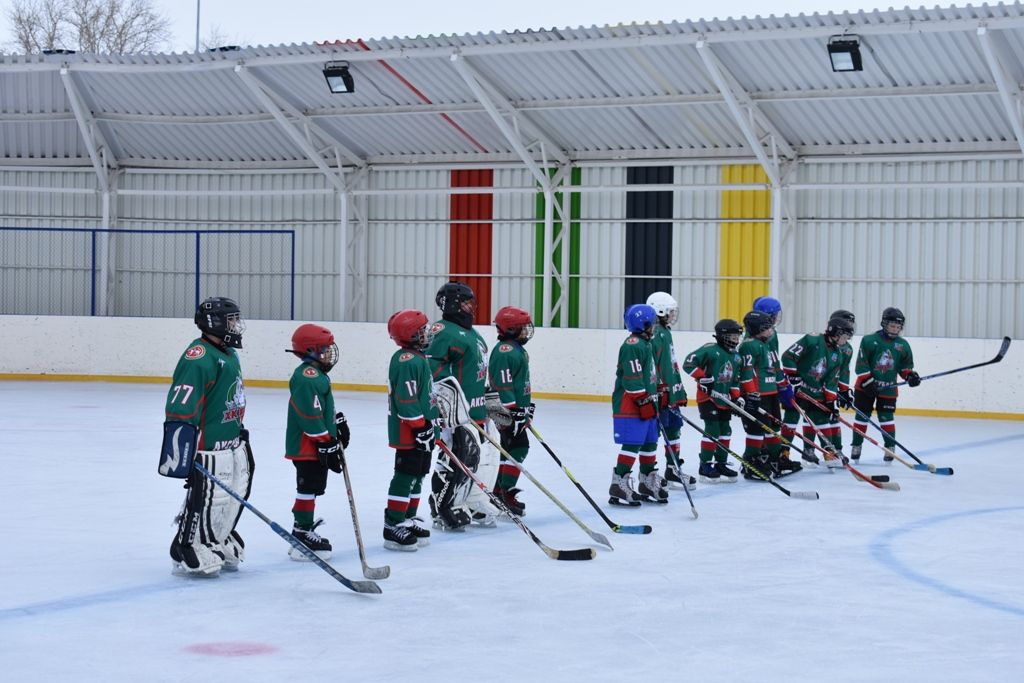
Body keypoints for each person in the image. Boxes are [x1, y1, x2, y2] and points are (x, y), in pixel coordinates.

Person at [163, 296, 251, 577]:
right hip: (207, 446)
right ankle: (188, 544)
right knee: (210, 497)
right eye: (232, 321)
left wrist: (239, 431)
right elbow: (181, 406)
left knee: (236, 492)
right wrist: (182, 451)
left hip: (231, 441)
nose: (237, 326)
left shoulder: (228, 354)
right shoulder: (199, 356)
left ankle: (217, 536)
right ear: (214, 323)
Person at [426, 281, 498, 530]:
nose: (471, 307)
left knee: (479, 458)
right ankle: (442, 506)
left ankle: (473, 501)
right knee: (455, 459)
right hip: (457, 413)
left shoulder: (472, 333)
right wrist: (444, 403)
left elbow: (476, 369)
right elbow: (432, 370)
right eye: (467, 302)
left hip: (476, 411)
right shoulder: (442, 331)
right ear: (454, 305)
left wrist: (489, 397)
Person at [284, 323, 349, 560]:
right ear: (310, 350)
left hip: (315, 444)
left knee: (312, 488)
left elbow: (320, 410)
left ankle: (304, 528)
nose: (329, 353)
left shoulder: (316, 375)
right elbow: (309, 416)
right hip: (306, 447)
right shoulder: (306, 377)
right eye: (324, 349)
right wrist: (325, 440)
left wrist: (335, 422)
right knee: (307, 488)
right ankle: (301, 531)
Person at [383, 309, 438, 551]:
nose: (427, 333)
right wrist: (420, 427)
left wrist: (432, 421)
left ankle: (408, 518)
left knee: (418, 474)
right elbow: (406, 401)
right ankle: (393, 524)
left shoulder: (418, 357)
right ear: (410, 334)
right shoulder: (406, 360)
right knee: (405, 476)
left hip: (422, 429)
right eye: (422, 330)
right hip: (409, 432)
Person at [609, 304, 667, 505]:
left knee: (651, 441)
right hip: (631, 406)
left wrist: (658, 389)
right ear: (644, 324)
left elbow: (648, 374)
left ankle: (647, 481)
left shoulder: (646, 344)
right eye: (652, 323)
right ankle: (619, 483)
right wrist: (643, 399)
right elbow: (632, 378)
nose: (654, 327)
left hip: (647, 403)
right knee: (633, 443)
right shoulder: (633, 345)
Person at [780, 315, 855, 467]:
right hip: (797, 389)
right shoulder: (812, 339)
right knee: (791, 419)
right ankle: (783, 452)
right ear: (836, 333)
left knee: (822, 419)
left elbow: (831, 381)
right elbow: (787, 356)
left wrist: (830, 401)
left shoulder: (838, 355)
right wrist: (793, 376)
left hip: (815, 392)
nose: (846, 340)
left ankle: (829, 453)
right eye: (845, 336)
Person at [850, 307, 919, 461]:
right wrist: (868, 382)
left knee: (886, 417)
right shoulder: (869, 340)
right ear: (884, 324)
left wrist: (910, 376)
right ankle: (856, 445)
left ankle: (889, 447)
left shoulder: (903, 345)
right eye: (892, 326)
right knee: (862, 417)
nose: (895, 330)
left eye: (898, 327)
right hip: (865, 387)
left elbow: (904, 367)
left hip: (888, 388)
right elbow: (861, 365)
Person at [737, 310, 798, 479]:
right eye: (766, 328)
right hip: (759, 395)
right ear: (756, 329)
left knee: (773, 428)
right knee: (756, 430)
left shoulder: (765, 343)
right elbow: (747, 372)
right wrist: (751, 393)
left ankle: (773, 459)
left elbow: (774, 367)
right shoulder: (749, 345)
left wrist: (782, 386)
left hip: (771, 393)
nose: (770, 331)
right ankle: (750, 463)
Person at [487, 306, 535, 516]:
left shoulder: (516, 349)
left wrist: (526, 408)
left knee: (511, 448)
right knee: (518, 447)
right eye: (522, 328)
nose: (526, 332)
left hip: (514, 410)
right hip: (505, 410)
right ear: (510, 329)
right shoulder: (505, 351)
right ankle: (503, 492)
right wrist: (514, 411)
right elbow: (504, 386)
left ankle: (500, 490)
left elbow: (519, 383)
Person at [683, 319, 743, 483]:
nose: (736, 340)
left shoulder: (737, 357)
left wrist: (737, 398)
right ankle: (705, 465)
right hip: (708, 398)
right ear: (722, 336)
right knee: (713, 429)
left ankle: (721, 463)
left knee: (726, 430)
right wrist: (702, 378)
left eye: (738, 336)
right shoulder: (711, 349)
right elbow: (688, 363)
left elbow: (734, 380)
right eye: (732, 336)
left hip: (724, 399)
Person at [645, 291, 694, 490]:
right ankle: (648, 474)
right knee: (656, 433)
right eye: (670, 312)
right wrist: (658, 390)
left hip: (670, 393)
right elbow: (652, 365)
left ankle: (673, 468)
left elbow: (670, 365)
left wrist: (677, 391)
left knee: (674, 429)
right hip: (660, 395)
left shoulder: (665, 332)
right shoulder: (655, 333)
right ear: (660, 310)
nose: (673, 315)